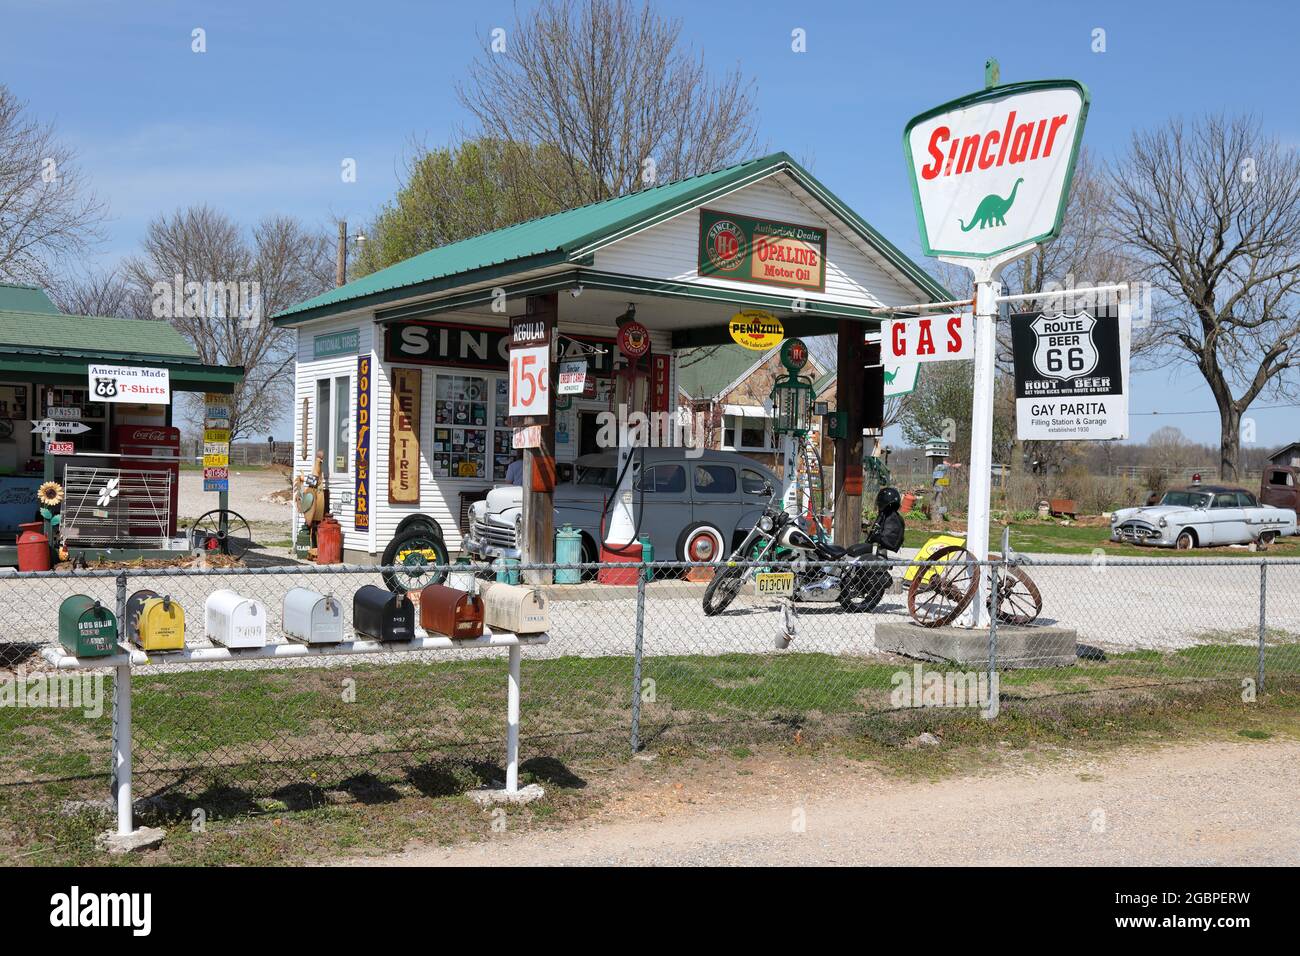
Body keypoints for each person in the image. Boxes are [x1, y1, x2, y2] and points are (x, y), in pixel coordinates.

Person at [867, 486, 905, 553]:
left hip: (887, 549)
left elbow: (885, 539)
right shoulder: (889, 516)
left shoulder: (891, 518)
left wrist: (875, 537)